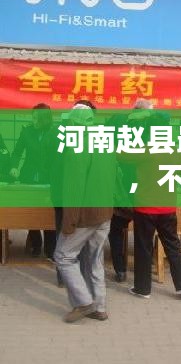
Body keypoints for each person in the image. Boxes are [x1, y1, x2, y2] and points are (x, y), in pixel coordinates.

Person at [119, 111, 181, 299]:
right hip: (168, 209)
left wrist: (131, 128)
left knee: (143, 249)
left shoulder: (145, 150)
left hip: (145, 209)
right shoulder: (176, 151)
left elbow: (120, 154)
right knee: (173, 247)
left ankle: (143, 289)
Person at [54, 105, 117, 322]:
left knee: (63, 256)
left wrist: (68, 222)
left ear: (74, 123)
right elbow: (114, 178)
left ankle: (83, 302)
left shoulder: (76, 147)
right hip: (104, 212)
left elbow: (74, 189)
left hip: (85, 216)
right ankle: (99, 307)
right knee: (94, 260)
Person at [108, 99, 153, 282]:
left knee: (116, 229)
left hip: (122, 189)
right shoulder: (149, 130)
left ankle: (120, 269)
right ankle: (143, 268)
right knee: (143, 231)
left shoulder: (117, 122)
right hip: (139, 189)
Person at [10, 103, 56, 258]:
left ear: (45, 119)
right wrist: (14, 166)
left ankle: (50, 249)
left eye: (36, 118)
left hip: (49, 179)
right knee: (32, 213)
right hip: (28, 178)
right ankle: (36, 245)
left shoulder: (55, 133)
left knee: (49, 214)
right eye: (33, 117)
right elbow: (17, 153)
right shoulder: (27, 132)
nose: (33, 120)